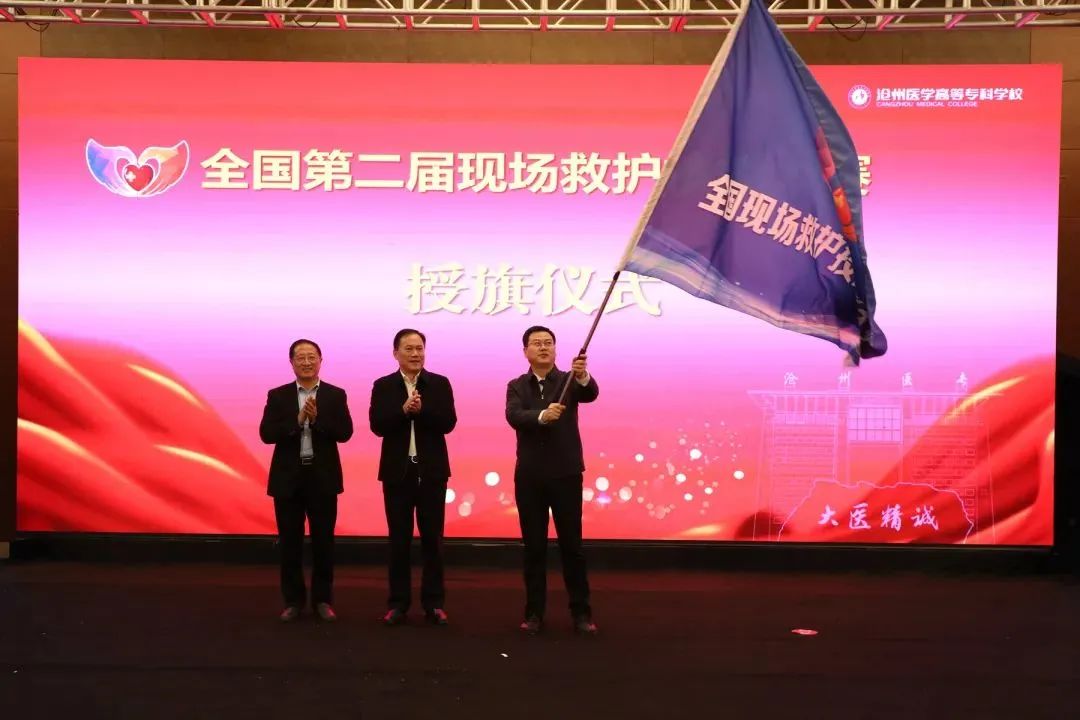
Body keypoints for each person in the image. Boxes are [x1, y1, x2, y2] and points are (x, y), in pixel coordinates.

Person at [505, 325, 599, 635]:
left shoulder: (569, 380)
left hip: (566, 474)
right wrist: (542, 416)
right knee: (534, 547)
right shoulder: (517, 386)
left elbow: (590, 393)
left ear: (556, 350)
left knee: (572, 547)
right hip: (530, 477)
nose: (543, 347)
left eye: (548, 343)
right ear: (526, 352)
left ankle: (581, 613)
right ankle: (534, 613)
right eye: (537, 343)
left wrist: (582, 375)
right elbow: (514, 416)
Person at [259, 339, 354, 623]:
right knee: (290, 543)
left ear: (321, 360)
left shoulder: (335, 395)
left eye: (312, 357)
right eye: (300, 357)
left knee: (324, 543)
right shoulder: (278, 395)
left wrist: (318, 419)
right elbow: (267, 434)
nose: (306, 362)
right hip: (288, 479)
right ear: (291, 363)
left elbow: (345, 432)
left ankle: (323, 600)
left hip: (322, 478)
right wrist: (297, 420)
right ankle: (293, 601)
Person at [369, 329, 457, 626]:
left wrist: (422, 411)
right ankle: (398, 603)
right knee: (399, 540)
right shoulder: (383, 385)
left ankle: (434, 603)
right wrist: (403, 411)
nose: (415, 354)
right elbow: (377, 425)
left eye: (420, 348)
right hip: (397, 473)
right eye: (409, 349)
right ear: (396, 353)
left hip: (431, 473)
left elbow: (448, 422)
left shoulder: (439, 383)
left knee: (433, 540)